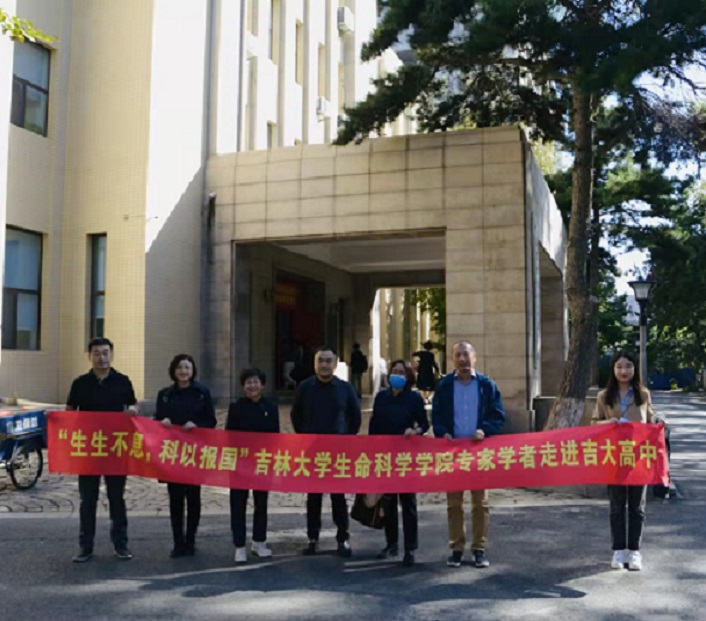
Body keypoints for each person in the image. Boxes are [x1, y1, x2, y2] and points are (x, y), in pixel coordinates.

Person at [432, 341, 506, 568]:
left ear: (474, 357)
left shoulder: (486, 385)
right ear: (452, 359)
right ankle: (456, 548)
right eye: (458, 355)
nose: (462, 359)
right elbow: (437, 415)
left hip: (478, 451)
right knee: (454, 504)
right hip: (453, 452)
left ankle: (479, 549)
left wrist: (485, 430)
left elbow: (498, 415)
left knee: (480, 503)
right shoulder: (445, 385)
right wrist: (442, 432)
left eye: (466, 354)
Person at [66, 337, 139, 563]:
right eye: (97, 353)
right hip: (89, 449)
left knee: (117, 498)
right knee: (88, 499)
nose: (101, 357)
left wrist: (133, 411)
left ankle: (121, 544)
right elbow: (69, 410)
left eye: (105, 353)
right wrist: (57, 420)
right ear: (89, 356)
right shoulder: (80, 383)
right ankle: (85, 547)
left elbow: (133, 404)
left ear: (112, 354)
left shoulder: (122, 381)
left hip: (115, 448)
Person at [591, 350, 665, 572]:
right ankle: (618, 550)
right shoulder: (604, 396)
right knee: (616, 507)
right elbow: (594, 423)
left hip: (638, 458)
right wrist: (608, 422)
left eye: (628, 366)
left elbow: (650, 419)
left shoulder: (643, 394)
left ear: (635, 369)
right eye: (619, 367)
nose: (624, 371)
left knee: (636, 507)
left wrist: (659, 421)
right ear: (613, 369)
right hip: (614, 457)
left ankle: (634, 551)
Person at [291, 345, 361, 557]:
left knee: (338, 498)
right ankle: (313, 538)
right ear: (314, 363)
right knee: (313, 498)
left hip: (338, 453)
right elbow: (296, 415)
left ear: (335, 363)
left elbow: (355, 418)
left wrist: (344, 439)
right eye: (320, 360)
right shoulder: (305, 388)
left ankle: (343, 538)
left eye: (328, 361)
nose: (324, 365)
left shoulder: (345, 388)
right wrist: (306, 437)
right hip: (312, 452)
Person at [155, 354, 216, 558]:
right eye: (180, 367)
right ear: (174, 370)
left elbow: (211, 421)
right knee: (175, 498)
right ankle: (178, 542)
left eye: (187, 367)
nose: (183, 371)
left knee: (193, 497)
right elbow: (156, 420)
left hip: (194, 452)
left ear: (193, 370)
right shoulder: (165, 394)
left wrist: (197, 425)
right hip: (172, 453)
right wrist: (161, 422)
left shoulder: (202, 393)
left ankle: (190, 540)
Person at [369, 359, 429, 567]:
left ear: (408, 376)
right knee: (388, 503)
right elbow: (374, 425)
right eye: (394, 371)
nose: (397, 375)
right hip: (385, 457)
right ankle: (391, 543)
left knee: (408, 503)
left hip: (406, 458)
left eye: (401, 372)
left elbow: (424, 424)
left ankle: (410, 548)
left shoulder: (414, 398)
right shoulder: (381, 397)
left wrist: (415, 431)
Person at [226, 367, 280, 564]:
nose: (252, 386)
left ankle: (259, 541)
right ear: (243, 386)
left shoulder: (270, 407)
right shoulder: (236, 407)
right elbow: (229, 436)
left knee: (261, 504)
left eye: (256, 382)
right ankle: (239, 545)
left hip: (262, 464)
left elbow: (275, 436)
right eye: (248, 382)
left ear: (262, 385)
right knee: (238, 504)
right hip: (239, 464)